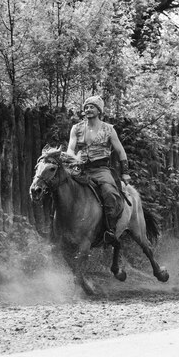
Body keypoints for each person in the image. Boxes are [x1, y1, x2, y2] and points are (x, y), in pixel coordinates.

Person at [67, 95, 131, 245]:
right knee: (61, 186)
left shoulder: (109, 129)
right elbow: (70, 148)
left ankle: (109, 230)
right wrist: (73, 159)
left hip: (101, 170)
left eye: (92, 107)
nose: (88, 110)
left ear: (99, 110)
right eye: (86, 107)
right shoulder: (76, 128)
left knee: (110, 193)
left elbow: (121, 152)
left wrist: (125, 172)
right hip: (80, 168)